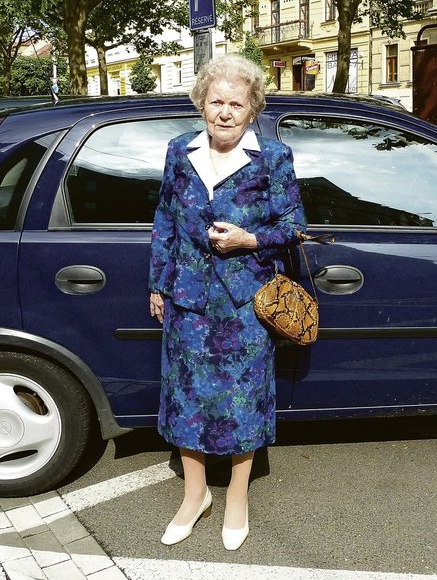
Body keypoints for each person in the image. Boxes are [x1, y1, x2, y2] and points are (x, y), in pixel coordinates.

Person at [148, 54, 306, 551]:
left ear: (253, 108)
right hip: (189, 297)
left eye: (236, 103)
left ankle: (236, 496)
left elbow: (295, 228)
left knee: (244, 403)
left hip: (244, 301)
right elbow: (166, 220)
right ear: (201, 103)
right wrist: (158, 284)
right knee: (186, 398)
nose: (224, 112)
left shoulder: (274, 158)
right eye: (216, 101)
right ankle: (195, 495)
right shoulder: (179, 151)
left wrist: (248, 240)